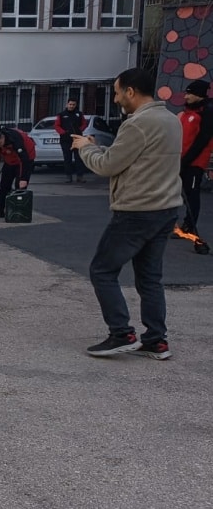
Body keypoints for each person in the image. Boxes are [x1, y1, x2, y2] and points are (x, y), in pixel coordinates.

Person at [72, 68, 183, 360]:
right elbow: (136, 158)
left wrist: (85, 148)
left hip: (136, 211)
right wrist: (102, 150)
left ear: (131, 92)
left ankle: (121, 333)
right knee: (149, 278)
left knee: (102, 270)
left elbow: (108, 165)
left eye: (118, 91)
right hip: (166, 207)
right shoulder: (172, 120)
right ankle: (156, 340)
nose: (116, 97)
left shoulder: (137, 124)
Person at [178, 79, 213, 238]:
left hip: (195, 161)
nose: (186, 96)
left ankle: (190, 226)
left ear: (198, 94)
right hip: (183, 158)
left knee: (192, 193)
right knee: (182, 191)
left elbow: (202, 139)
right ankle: (182, 223)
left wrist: (186, 161)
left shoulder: (207, 111)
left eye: (189, 93)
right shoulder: (188, 112)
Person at [0, 127, 36, 219]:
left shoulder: (16, 139)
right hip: (10, 160)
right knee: (4, 186)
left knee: (19, 187)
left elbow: (24, 159)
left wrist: (23, 178)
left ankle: (19, 212)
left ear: (2, 137)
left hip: (25, 158)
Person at [55, 98, 88, 183]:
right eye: (70, 104)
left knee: (79, 158)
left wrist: (80, 130)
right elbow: (57, 126)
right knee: (67, 158)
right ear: (67, 104)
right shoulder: (61, 115)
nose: (72, 106)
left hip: (77, 139)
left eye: (73, 104)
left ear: (75, 105)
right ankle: (68, 176)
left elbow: (84, 124)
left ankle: (80, 176)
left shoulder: (79, 114)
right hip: (66, 140)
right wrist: (63, 133)